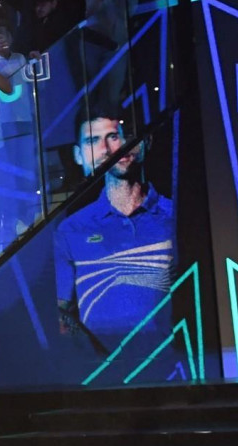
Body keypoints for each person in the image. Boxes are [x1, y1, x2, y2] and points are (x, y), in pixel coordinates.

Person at [54, 108, 174, 355]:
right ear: (79, 155)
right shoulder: (71, 229)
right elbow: (61, 311)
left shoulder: (175, 216)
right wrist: (95, 357)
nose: (110, 147)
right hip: (105, 376)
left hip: (175, 367)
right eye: (93, 140)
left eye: (116, 135)